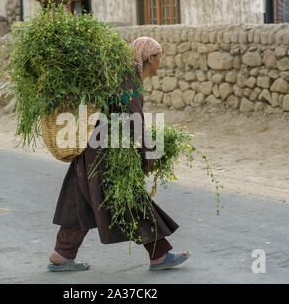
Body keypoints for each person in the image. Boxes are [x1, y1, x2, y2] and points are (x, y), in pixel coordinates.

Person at [47, 37, 190, 272]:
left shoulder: (117, 77)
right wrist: (149, 152)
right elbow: (134, 119)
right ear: (149, 58)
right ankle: (160, 254)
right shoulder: (129, 81)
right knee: (129, 200)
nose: (160, 61)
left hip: (90, 148)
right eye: (159, 56)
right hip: (106, 153)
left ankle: (62, 254)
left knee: (80, 200)